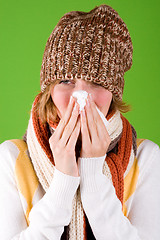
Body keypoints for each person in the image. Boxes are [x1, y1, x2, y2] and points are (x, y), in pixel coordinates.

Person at [0, 4, 160, 240]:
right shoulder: (12, 159)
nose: (81, 97)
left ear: (113, 92)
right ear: (49, 91)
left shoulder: (145, 158)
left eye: (97, 82)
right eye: (66, 81)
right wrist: (63, 182)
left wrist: (93, 176)